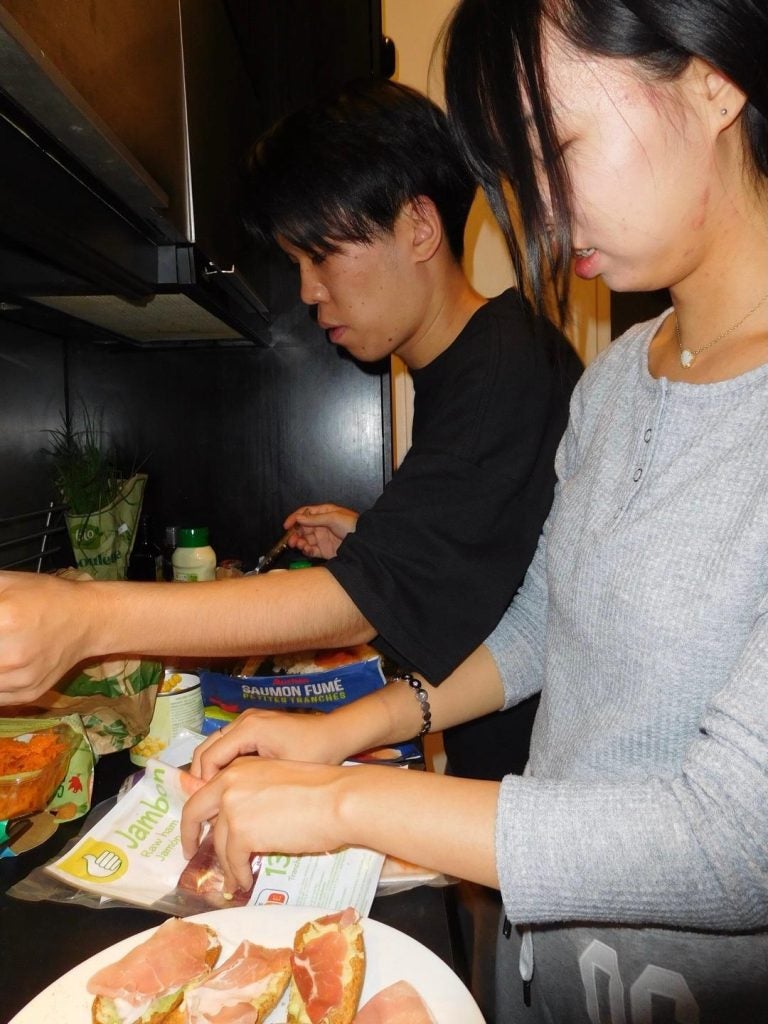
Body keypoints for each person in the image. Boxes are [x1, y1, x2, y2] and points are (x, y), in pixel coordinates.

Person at [173, 2, 768, 1022]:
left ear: (713, 80)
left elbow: (737, 839)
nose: (540, 210)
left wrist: (347, 800)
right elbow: (542, 623)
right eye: (523, 169)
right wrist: (341, 733)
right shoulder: (618, 379)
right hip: (544, 969)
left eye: (558, 148)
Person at [0, 78, 580, 789]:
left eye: (321, 255)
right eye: (298, 264)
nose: (307, 291)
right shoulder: (479, 363)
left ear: (419, 227)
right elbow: (504, 555)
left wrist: (86, 616)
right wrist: (374, 537)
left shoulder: (505, 368)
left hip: (536, 793)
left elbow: (357, 606)